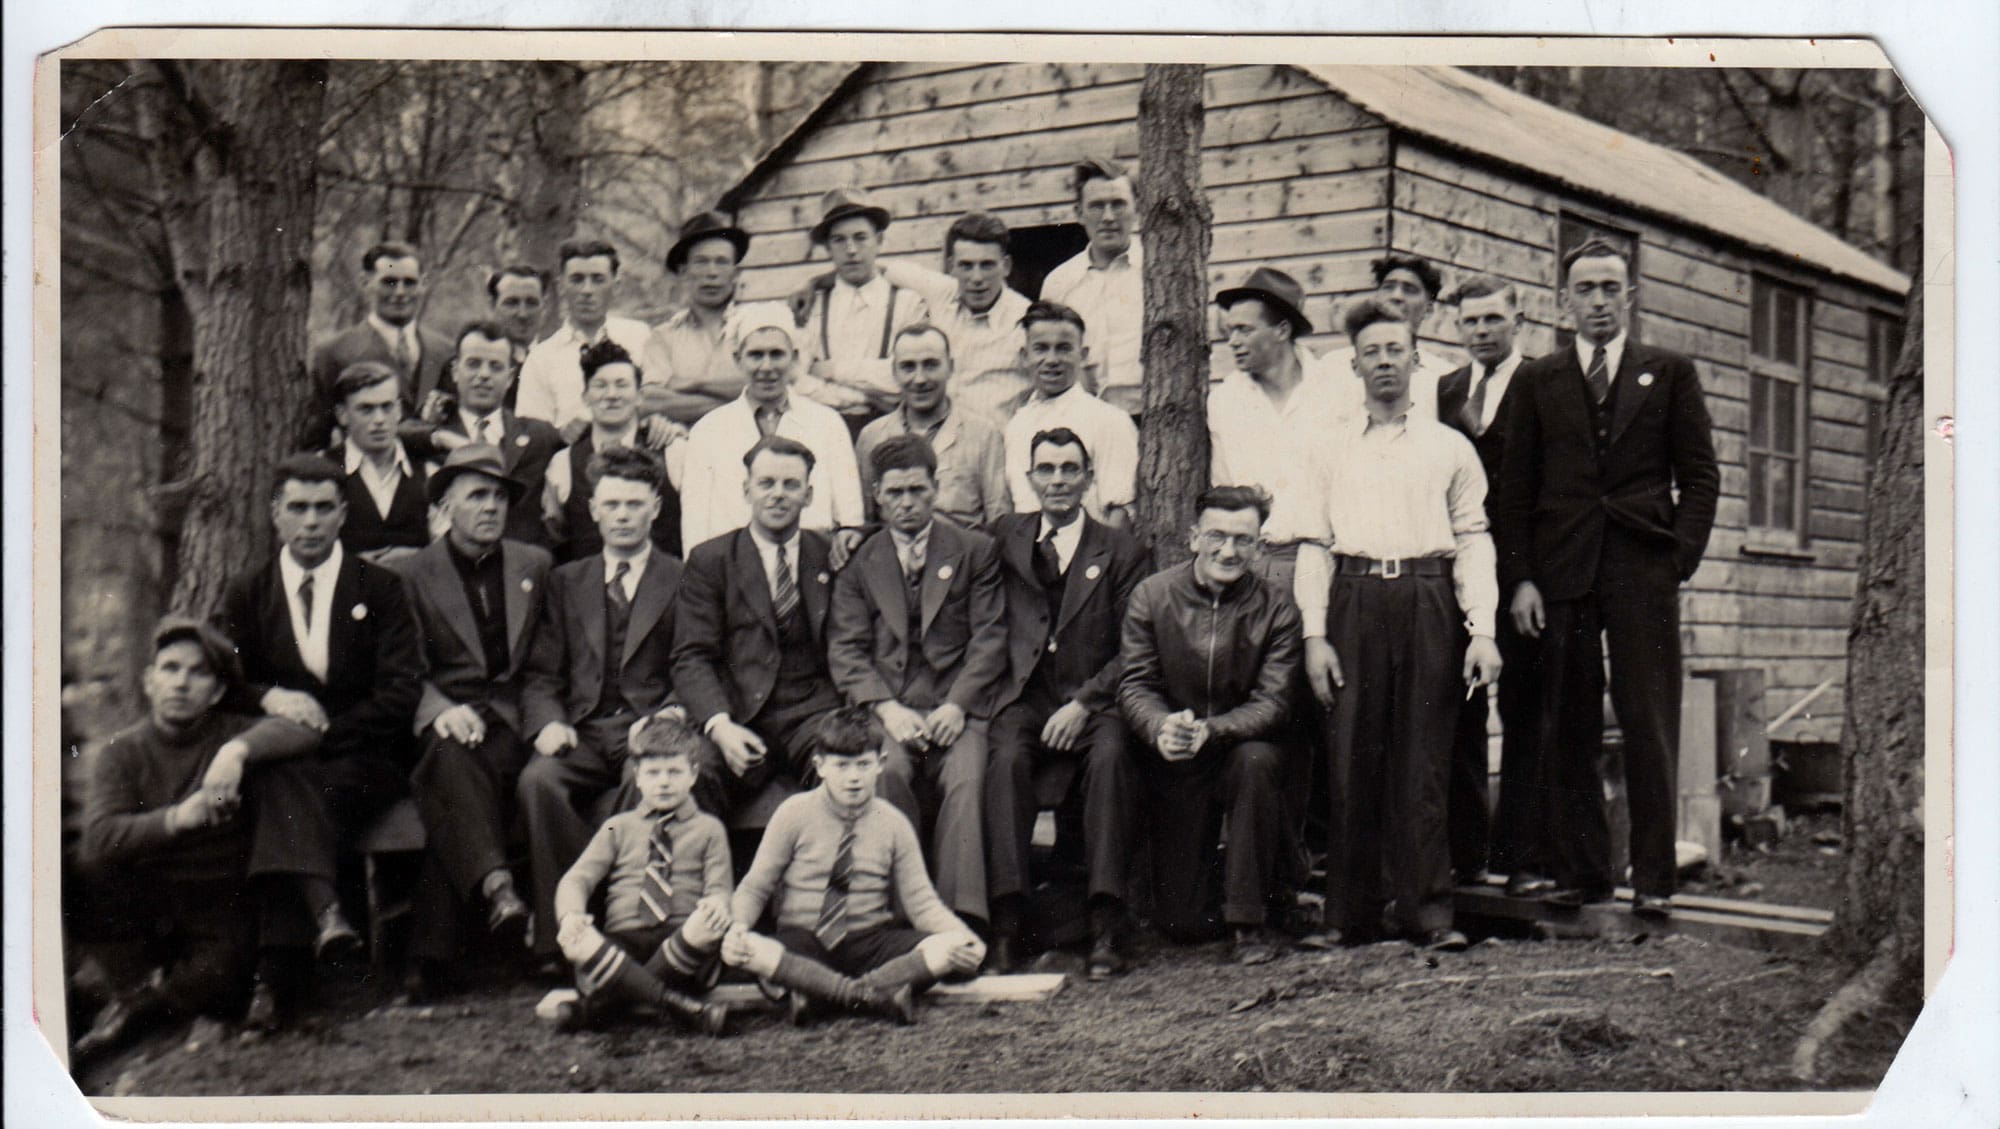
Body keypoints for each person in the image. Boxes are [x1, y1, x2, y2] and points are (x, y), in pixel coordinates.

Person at [1494, 239, 1719, 918]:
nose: (1597, 300)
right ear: (1563, 301)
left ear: (1630, 296)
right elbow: (1515, 489)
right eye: (1584, 288)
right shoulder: (1538, 380)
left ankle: (1653, 876)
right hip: (1561, 574)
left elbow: (1702, 476)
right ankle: (1584, 872)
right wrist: (1523, 579)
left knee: (1649, 721)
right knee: (1570, 722)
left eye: (1609, 287)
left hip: (1641, 571)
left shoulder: (1669, 372)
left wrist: (1676, 558)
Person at [1293, 296, 1502, 954]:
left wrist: (1484, 629)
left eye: (1395, 350)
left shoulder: (1450, 448)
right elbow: (1312, 545)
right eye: (1371, 352)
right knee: (1352, 754)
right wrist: (1315, 634)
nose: (1384, 361)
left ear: (1415, 359)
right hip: (1353, 597)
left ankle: (1428, 913)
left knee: (1425, 758)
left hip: (1427, 597)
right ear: (1353, 365)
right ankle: (1346, 916)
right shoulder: (1326, 448)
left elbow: (1472, 539)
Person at [213, 454, 424, 1014]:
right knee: (281, 784)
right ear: (275, 516)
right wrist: (268, 698)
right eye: (298, 509)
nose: (310, 522)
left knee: (282, 792)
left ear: (342, 515)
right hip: (287, 760)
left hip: (365, 756)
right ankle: (327, 924)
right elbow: (229, 684)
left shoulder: (379, 588)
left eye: (323, 509)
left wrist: (327, 730)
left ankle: (278, 973)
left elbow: (402, 690)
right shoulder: (249, 592)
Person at [70, 619, 321, 1065]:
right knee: (77, 873)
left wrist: (236, 754)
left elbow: (306, 730)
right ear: (149, 682)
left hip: (221, 903)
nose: (181, 683)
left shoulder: (234, 732)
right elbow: (99, 839)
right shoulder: (121, 751)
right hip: (151, 897)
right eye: (169, 669)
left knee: (223, 976)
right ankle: (129, 988)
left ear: (218, 691)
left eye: (198, 672)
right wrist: (177, 818)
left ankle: (140, 1010)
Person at [983, 427, 1147, 978]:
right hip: (1024, 697)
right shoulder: (1003, 535)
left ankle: (1105, 922)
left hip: (1093, 700)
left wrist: (1083, 702)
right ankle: (1006, 921)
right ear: (1029, 478)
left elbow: (1135, 646)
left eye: (1069, 469)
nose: (1057, 481)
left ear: (1089, 477)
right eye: (1046, 469)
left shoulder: (1122, 549)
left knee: (1110, 759)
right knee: (1003, 760)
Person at [827, 434, 1008, 928]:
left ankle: (960, 920)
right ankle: (902, 916)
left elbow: (991, 638)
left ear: (936, 488)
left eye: (917, 490)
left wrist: (957, 705)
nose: (906, 504)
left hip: (956, 705)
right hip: (890, 707)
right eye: (894, 494)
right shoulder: (860, 561)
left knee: (967, 780)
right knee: (885, 774)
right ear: (876, 496)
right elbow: (846, 648)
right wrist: (886, 709)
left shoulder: (975, 550)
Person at [1119, 486, 1302, 966]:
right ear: (1194, 537)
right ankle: (1241, 881)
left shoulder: (1277, 607)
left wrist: (1214, 730)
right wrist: (1161, 727)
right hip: (1176, 756)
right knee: (1183, 925)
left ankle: (1249, 922)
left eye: (1243, 540)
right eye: (1217, 536)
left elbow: (1274, 701)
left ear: (1259, 546)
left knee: (1258, 761)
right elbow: (1134, 684)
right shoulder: (1152, 595)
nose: (1229, 550)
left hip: (1239, 750)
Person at [519, 445, 685, 970]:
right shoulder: (568, 580)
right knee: (539, 781)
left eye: (634, 504)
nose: (622, 516)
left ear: (655, 508)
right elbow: (543, 671)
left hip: (653, 728)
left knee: (652, 783)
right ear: (592, 508)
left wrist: (670, 715)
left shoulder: (682, 577)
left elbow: (697, 663)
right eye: (611, 504)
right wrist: (548, 722)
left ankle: (631, 932)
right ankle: (561, 934)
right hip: (585, 730)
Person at [396, 444, 554, 997]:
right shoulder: (412, 575)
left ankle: (431, 954)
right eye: (476, 496)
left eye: (498, 497)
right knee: (449, 759)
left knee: (457, 779)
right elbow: (402, 668)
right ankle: (500, 893)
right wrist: (439, 709)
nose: (490, 508)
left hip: (513, 718)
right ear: (444, 507)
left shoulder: (533, 564)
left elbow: (542, 661)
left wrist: (538, 722)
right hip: (449, 715)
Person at [719, 707, 986, 1026]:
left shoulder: (892, 823)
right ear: (820, 766)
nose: (854, 777)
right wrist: (737, 929)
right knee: (750, 949)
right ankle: (874, 995)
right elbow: (755, 886)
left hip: (869, 944)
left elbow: (922, 903)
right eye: (842, 766)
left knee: (948, 947)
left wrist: (965, 938)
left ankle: (820, 994)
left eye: (863, 764)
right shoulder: (793, 813)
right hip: (804, 941)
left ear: (880, 764)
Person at [1433, 274, 1545, 893]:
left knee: (1526, 711)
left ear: (1516, 321)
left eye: (1493, 320)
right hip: (1462, 573)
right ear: (1457, 326)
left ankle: (1521, 858)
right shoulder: (1446, 389)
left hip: (1522, 570)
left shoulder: (1543, 381)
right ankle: (1467, 854)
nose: (1481, 331)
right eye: (1471, 322)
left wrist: (1527, 576)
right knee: (1464, 712)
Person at [671, 435, 844, 820]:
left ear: (809, 494)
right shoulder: (711, 559)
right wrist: (719, 725)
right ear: (746, 490)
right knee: (692, 773)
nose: (778, 495)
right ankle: (711, 879)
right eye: (766, 483)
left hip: (814, 715)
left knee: (846, 769)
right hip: (739, 714)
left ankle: (830, 880)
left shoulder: (832, 553)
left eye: (791, 485)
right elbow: (691, 656)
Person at [550, 714, 732, 1036]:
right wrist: (571, 916)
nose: (663, 782)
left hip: (680, 938)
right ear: (637, 777)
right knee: (578, 942)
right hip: (623, 941)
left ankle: (598, 1008)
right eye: (653, 773)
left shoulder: (709, 829)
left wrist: (716, 904)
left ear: (693, 774)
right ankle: (681, 1008)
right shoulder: (617, 827)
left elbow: (720, 888)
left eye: (674, 772)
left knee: (706, 926)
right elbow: (577, 879)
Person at [677, 302, 866, 556]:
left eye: (776, 354)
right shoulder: (708, 431)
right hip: (733, 571)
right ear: (738, 359)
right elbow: (695, 526)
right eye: (756, 355)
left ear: (794, 357)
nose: (766, 367)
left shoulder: (827, 423)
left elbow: (850, 518)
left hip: (811, 566)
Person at [852, 211, 1035, 430]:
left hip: (993, 451)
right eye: (966, 266)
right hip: (932, 441)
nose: (976, 278)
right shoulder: (941, 292)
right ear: (951, 266)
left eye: (986, 265)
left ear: (1005, 266)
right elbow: (876, 270)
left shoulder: (1026, 321)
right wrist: (815, 284)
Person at [796, 187, 930, 431]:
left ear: (878, 241)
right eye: (839, 240)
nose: (851, 250)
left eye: (860, 237)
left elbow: (905, 377)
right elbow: (797, 380)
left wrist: (832, 370)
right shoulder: (811, 305)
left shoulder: (908, 303)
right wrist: (865, 397)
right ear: (828, 248)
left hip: (893, 429)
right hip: (826, 429)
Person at [854, 324, 1011, 531]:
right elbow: (866, 521)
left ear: (950, 367)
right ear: (894, 372)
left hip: (964, 558)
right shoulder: (872, 436)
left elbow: (999, 522)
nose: (919, 379)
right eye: (908, 367)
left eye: (930, 365)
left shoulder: (984, 434)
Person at [425, 321, 566, 548]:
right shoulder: (432, 437)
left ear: (510, 377)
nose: (483, 375)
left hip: (521, 569)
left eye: (495, 366)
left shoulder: (539, 435)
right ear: (454, 371)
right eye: (473, 364)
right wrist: (437, 436)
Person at [541, 340, 685, 560]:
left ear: (639, 396)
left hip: (664, 590)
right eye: (600, 385)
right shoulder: (563, 463)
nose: (611, 395)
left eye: (622, 384)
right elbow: (556, 534)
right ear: (585, 397)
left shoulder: (672, 451)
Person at [1002, 301, 1138, 528]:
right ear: (1025, 356)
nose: (1052, 360)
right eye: (1041, 348)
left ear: (1083, 355)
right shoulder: (1017, 424)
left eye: (1064, 348)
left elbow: (1120, 513)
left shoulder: (1109, 421)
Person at [305, 241, 454, 450]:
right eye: (389, 282)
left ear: (423, 284)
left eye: (410, 282)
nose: (400, 292)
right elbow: (316, 440)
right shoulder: (334, 353)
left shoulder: (445, 350)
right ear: (366, 282)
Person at [516, 239, 658, 441]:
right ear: (562, 286)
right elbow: (531, 434)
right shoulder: (541, 358)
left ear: (616, 285)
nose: (587, 291)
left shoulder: (640, 337)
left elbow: (659, 400)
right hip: (570, 463)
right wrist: (562, 435)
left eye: (598, 279)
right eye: (577, 279)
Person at [1040, 158, 1144, 416]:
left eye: (1118, 205)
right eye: (1097, 206)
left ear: (1137, 208)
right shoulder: (1059, 283)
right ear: (1078, 212)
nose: (1108, 217)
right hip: (1081, 419)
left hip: (1150, 421)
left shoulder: (1158, 272)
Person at [639, 211, 752, 425]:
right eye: (701, 262)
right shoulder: (663, 337)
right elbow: (650, 400)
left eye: (721, 262)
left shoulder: (756, 327)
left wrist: (695, 384)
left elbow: (770, 386)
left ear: (736, 274)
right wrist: (741, 401)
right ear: (683, 272)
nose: (712, 272)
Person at [323, 361, 440, 561]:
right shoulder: (323, 471)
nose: (379, 419)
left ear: (399, 411)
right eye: (366, 409)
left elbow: (448, 552)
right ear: (343, 415)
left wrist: (416, 560)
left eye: (387, 407)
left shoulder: (428, 472)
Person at [1321, 254, 1448, 416]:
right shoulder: (1332, 365)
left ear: (1428, 309)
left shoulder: (1443, 375)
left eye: (1409, 290)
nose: (1396, 296)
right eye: (1388, 287)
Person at [487, 264, 550, 371]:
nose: (523, 314)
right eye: (511, 303)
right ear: (492, 307)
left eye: (531, 303)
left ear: (544, 307)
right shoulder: (474, 366)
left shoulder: (561, 363)